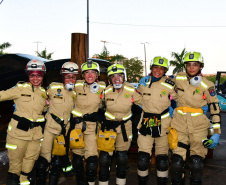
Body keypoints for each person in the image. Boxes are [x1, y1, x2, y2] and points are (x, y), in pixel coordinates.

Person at [169, 52, 221, 185]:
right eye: (189, 65)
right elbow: (165, 85)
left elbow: (215, 108)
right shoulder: (179, 78)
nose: (192, 68)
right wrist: (149, 80)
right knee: (176, 162)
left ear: (200, 67)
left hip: (198, 127)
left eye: (195, 65)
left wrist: (216, 133)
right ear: (185, 66)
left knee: (196, 163)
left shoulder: (207, 85)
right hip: (179, 124)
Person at [1, 59, 48, 185]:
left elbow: (43, 110)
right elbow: (2, 95)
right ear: (28, 75)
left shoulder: (44, 93)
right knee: (15, 167)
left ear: (43, 75)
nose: (35, 78)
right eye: (32, 75)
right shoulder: (19, 88)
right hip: (18, 134)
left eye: (38, 75)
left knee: (29, 165)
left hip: (36, 135)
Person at [98, 64, 142, 185]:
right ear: (109, 79)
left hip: (125, 128)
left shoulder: (132, 90)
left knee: (122, 159)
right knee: (104, 159)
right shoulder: (105, 91)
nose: (117, 79)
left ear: (124, 77)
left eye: (120, 75)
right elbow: (97, 106)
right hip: (108, 128)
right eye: (113, 76)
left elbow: (145, 103)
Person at [35, 62, 78, 185]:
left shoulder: (76, 93)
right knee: (44, 161)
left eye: (73, 77)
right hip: (49, 129)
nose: (70, 79)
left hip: (63, 132)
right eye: (67, 76)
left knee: (58, 162)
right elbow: (40, 96)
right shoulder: (53, 87)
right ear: (62, 76)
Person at [136, 57, 177, 185]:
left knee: (162, 159)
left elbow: (178, 100)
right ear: (151, 68)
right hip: (147, 121)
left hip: (163, 123)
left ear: (164, 71)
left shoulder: (170, 85)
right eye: (155, 68)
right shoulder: (143, 83)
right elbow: (136, 99)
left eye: (161, 68)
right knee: (143, 158)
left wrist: (173, 108)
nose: (158, 71)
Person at [70, 60, 106, 185]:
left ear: (97, 75)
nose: (90, 75)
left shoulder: (103, 87)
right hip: (76, 127)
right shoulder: (76, 85)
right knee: (77, 160)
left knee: (92, 161)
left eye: (93, 72)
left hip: (92, 127)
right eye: (86, 73)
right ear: (82, 75)